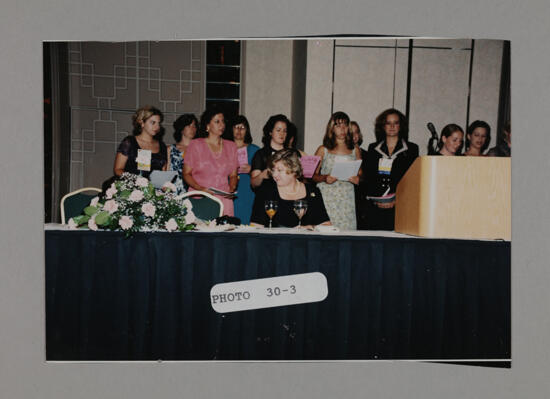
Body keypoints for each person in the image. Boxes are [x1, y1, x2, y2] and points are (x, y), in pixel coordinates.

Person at [364, 108, 419, 230]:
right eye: (388, 123)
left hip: (400, 206)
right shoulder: (373, 148)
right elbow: (369, 176)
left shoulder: (411, 149)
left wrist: (396, 200)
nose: (392, 126)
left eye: (396, 123)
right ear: (383, 126)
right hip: (376, 206)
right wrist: (377, 199)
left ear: (401, 126)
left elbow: (412, 180)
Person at [250, 149, 331, 228]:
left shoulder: (312, 192)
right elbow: (255, 227)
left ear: (294, 170)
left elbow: (326, 225)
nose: (274, 174)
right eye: (273, 170)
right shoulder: (265, 191)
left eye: (279, 170)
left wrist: (310, 228)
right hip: (274, 241)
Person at [183, 107, 239, 216]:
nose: (222, 125)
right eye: (217, 121)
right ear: (208, 126)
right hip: (200, 197)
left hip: (224, 201)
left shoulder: (231, 146)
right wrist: (201, 189)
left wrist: (232, 188)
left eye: (223, 121)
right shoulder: (196, 145)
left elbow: (233, 175)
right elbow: (186, 174)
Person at [312, 111, 361, 231]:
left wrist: (358, 178)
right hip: (327, 198)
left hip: (346, 199)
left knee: (347, 236)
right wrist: (324, 178)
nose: (342, 129)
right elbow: (312, 175)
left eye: (345, 125)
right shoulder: (323, 149)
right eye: (338, 125)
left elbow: (360, 173)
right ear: (331, 128)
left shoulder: (355, 150)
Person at [223, 115, 259, 224]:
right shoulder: (224, 148)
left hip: (248, 190)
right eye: (236, 127)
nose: (239, 130)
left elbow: (263, 173)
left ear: (247, 130)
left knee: (246, 221)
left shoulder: (255, 150)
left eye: (242, 127)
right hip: (228, 189)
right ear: (231, 129)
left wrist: (251, 169)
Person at [113, 105, 167, 178]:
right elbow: (118, 169)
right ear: (142, 123)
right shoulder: (130, 142)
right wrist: (136, 181)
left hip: (155, 188)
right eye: (153, 122)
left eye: (158, 123)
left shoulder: (162, 145)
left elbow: (163, 172)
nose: (157, 127)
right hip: (132, 187)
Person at [250, 114, 290, 188]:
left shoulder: (290, 154)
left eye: (285, 131)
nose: (282, 134)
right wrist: (263, 175)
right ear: (270, 132)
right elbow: (253, 184)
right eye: (278, 130)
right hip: (266, 196)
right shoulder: (261, 154)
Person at [167, 113, 198, 194]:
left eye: (194, 126)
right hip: (174, 191)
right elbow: (167, 172)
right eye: (189, 126)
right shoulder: (170, 149)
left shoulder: (199, 150)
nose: (192, 129)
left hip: (193, 190)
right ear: (181, 128)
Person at [350, 121, 368, 229]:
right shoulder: (339, 155)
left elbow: (372, 179)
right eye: (350, 133)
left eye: (356, 132)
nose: (354, 136)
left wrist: (360, 180)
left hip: (363, 203)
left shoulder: (368, 154)